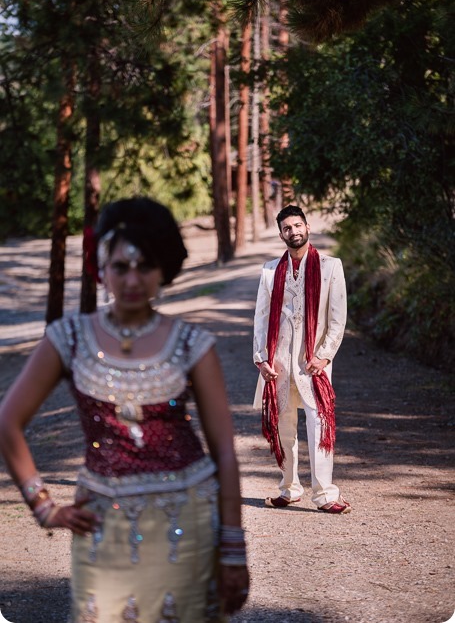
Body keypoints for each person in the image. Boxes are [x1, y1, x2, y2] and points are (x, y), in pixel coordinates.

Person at [0, 196, 249, 622]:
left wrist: (232, 546)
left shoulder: (192, 344)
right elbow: (7, 421)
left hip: (187, 523)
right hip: (103, 529)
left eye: (146, 265)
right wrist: (43, 506)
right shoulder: (69, 338)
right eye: (120, 266)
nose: (133, 279)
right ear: (102, 268)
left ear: (164, 269)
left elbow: (224, 452)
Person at [253, 204, 351, 514]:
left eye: (298, 225)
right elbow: (261, 316)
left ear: (307, 228)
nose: (293, 231)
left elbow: (338, 319)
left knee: (319, 423)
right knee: (284, 424)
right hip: (279, 360)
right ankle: (289, 489)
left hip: (313, 361)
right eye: (287, 228)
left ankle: (325, 495)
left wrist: (323, 356)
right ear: (280, 233)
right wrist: (261, 357)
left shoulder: (330, 266)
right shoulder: (270, 270)